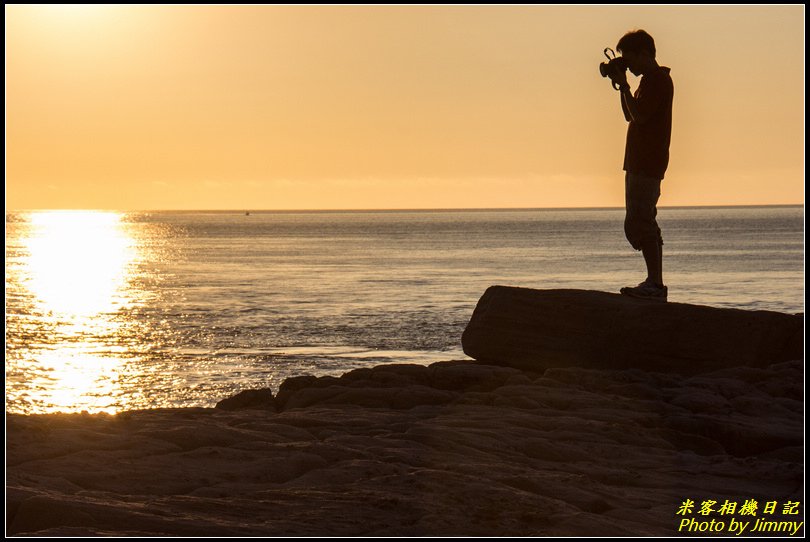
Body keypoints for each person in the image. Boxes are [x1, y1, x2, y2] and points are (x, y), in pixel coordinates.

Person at [608, 30, 674, 302]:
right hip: (639, 160)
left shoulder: (658, 80)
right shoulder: (647, 82)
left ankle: (655, 284)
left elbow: (641, 116)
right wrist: (621, 86)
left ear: (644, 53)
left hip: (647, 161)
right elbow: (629, 115)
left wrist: (624, 85)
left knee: (642, 220)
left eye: (630, 58)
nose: (629, 65)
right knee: (639, 221)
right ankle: (654, 282)